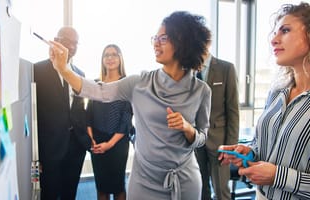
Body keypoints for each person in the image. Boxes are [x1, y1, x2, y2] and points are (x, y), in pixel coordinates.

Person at [50, 11, 212, 200]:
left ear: (182, 42)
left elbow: (202, 137)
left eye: (163, 38)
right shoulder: (139, 83)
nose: (156, 43)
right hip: (144, 181)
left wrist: (188, 129)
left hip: (184, 181)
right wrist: (64, 69)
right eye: (155, 38)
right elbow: (96, 90)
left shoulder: (202, 91)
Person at [218, 2, 310, 200]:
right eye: (274, 33)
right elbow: (262, 144)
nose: (274, 40)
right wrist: (249, 152)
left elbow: (278, 172)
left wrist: (278, 176)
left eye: (285, 30)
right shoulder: (277, 93)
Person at [34, 27, 91, 200]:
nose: (71, 46)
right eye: (67, 41)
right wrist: (37, 153)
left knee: (70, 193)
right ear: (55, 40)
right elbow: (35, 112)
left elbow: (80, 109)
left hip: (76, 146)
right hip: (50, 148)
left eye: (75, 43)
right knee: (49, 193)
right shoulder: (37, 70)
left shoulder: (80, 74)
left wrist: (86, 139)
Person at [195, 26, 239, 200]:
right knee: (200, 189)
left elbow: (233, 111)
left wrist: (231, 147)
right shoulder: (187, 70)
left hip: (220, 142)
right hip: (195, 140)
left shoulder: (226, 68)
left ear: (209, 42)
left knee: (221, 191)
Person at [87, 44, 133, 200]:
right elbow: (89, 114)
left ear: (120, 58)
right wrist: (91, 139)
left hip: (118, 142)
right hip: (97, 142)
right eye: (106, 55)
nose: (110, 58)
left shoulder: (126, 84)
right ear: (102, 59)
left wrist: (110, 144)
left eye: (114, 54)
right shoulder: (95, 84)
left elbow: (126, 118)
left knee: (118, 187)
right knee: (101, 187)